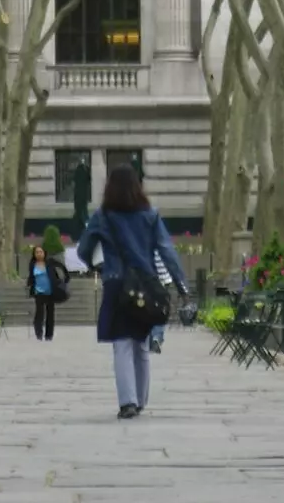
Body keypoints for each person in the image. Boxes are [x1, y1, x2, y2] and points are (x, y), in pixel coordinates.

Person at [78, 165, 188, 419]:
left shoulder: (102, 216)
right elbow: (167, 251)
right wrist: (181, 285)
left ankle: (127, 402)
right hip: (145, 284)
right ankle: (140, 400)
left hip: (117, 283)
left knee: (121, 344)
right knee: (141, 343)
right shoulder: (150, 215)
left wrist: (98, 265)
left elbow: (84, 248)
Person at [27, 243, 68, 341]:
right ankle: (39, 334)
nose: (39, 254)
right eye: (37, 252)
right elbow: (31, 277)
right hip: (38, 292)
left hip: (50, 291)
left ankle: (49, 335)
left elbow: (61, 266)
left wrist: (65, 278)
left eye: (40, 252)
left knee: (50, 314)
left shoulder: (50, 262)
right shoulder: (32, 264)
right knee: (39, 313)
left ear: (44, 253)